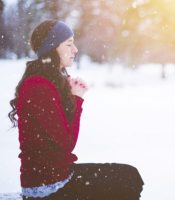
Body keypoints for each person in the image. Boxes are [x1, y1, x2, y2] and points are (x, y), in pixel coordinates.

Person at [8, 20, 144, 200]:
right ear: (52, 48)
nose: (75, 50)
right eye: (69, 44)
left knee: (129, 176)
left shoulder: (47, 82)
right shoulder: (39, 86)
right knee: (128, 179)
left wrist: (71, 98)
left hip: (55, 178)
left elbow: (60, 138)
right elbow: (66, 143)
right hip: (48, 186)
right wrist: (77, 99)